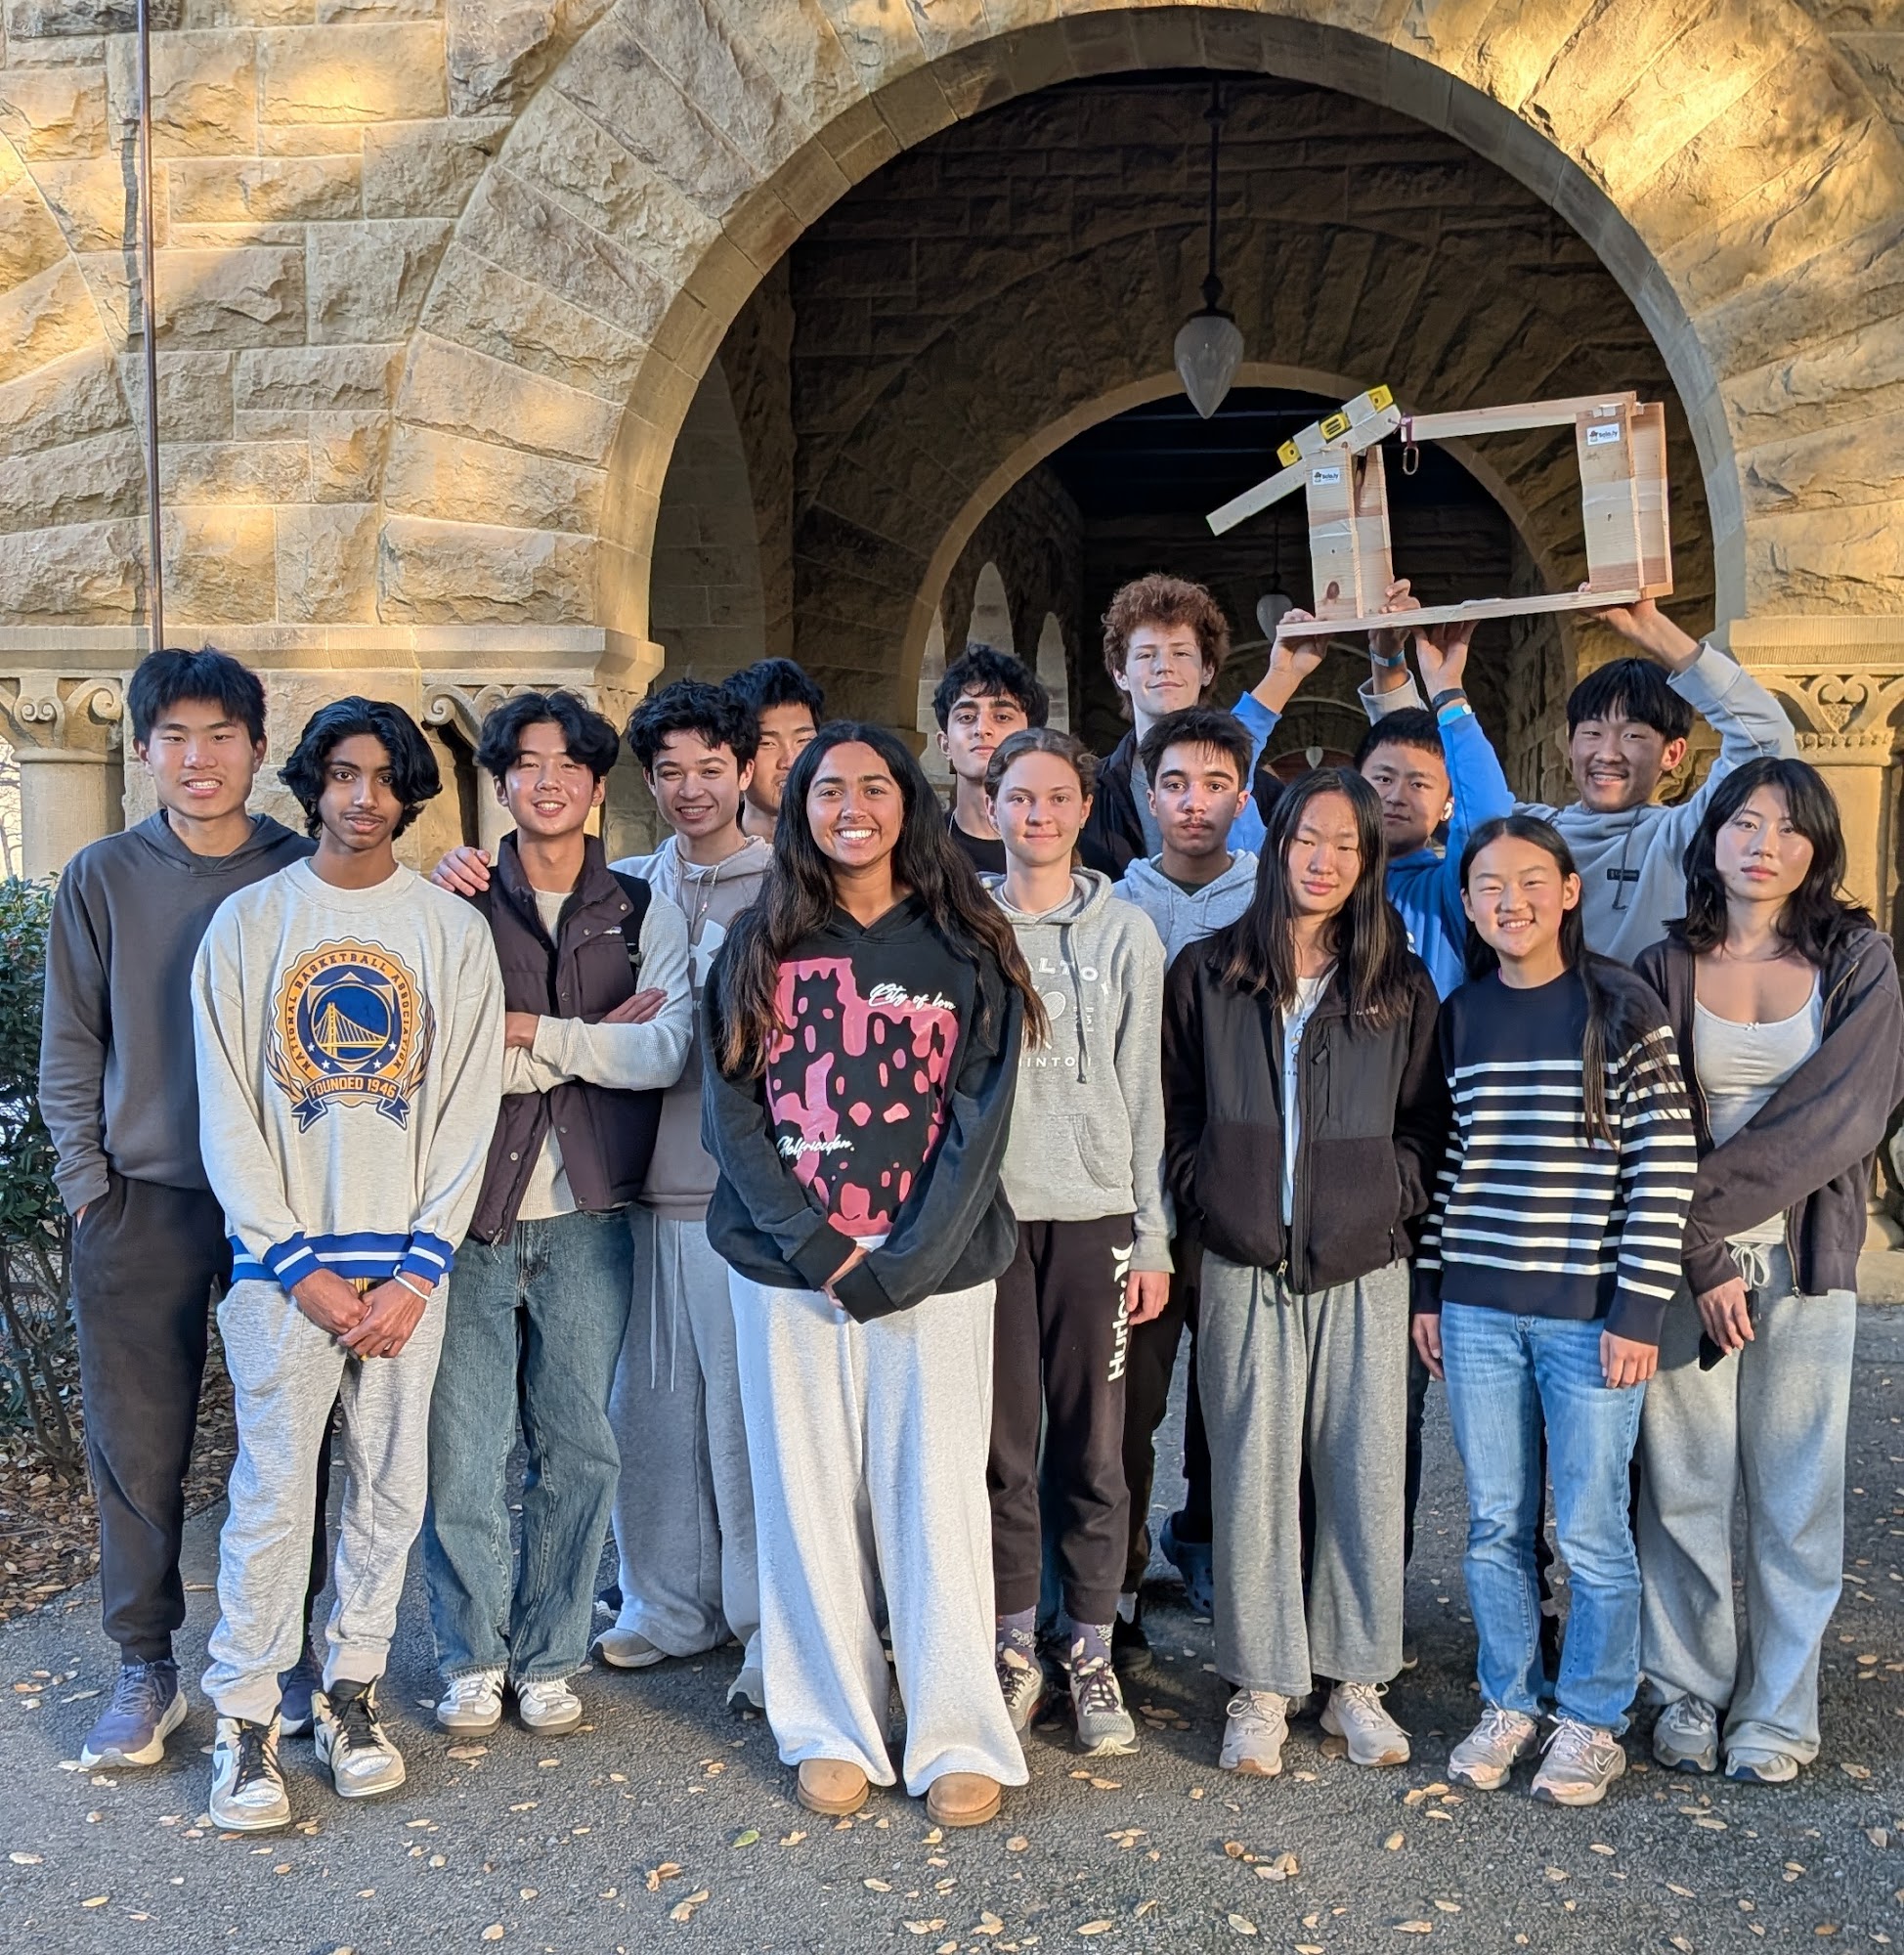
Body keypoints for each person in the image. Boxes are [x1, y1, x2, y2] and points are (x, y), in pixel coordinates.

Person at [701, 723, 1042, 1828]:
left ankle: (956, 1728)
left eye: (875, 786)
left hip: (935, 1272)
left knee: (936, 1495)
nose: (853, 806)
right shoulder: (757, 943)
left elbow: (981, 1119)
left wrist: (904, 1262)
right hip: (786, 1270)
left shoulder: (966, 943)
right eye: (828, 788)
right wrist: (819, 1251)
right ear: (797, 807)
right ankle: (830, 1723)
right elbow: (731, 1116)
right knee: (804, 1496)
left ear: (910, 803)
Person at [192, 699, 504, 1831]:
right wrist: (293, 1262)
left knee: (387, 1488)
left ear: (410, 791)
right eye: (341, 773)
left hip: (405, 1272)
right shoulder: (249, 924)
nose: (362, 796)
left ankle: (349, 1691)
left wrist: (418, 1269)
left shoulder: (448, 932)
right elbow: (227, 1106)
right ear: (312, 784)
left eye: (383, 776)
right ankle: (244, 1718)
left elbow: (466, 1105)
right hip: (284, 1272)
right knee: (274, 1494)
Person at [39, 647, 323, 1771]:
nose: (198, 758)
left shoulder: (301, 868)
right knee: (138, 1443)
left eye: (221, 736)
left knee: (288, 1440)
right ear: (144, 748)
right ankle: (144, 1663)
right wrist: (86, 1189)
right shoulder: (103, 875)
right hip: (142, 1200)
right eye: (175, 737)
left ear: (258, 748)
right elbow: (72, 1041)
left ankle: (285, 1651)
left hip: (282, 1208)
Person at [1162, 769, 1449, 1780]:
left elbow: (1427, 1121)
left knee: (1362, 1470)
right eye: (1306, 839)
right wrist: (1209, 1194)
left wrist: (1387, 1193)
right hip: (1243, 1259)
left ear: (1368, 863)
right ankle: (1261, 1683)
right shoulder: (1208, 971)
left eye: (1346, 845)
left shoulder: (1397, 984)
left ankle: (1357, 1679)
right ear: (1276, 844)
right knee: (1249, 1473)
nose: (1323, 861)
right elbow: (1177, 1108)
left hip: (1362, 1261)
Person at [420, 692, 692, 1741]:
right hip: (469, 1216)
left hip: (590, 1216)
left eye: (569, 764)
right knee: (465, 1449)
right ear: (500, 785)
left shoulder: (639, 905)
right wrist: (589, 1039)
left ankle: (548, 1655)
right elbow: (441, 1060)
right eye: (526, 764)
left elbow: (661, 1052)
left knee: (580, 1449)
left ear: (595, 783)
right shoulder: (455, 902)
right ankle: (470, 1655)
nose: (548, 781)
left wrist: (533, 1031)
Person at [1414, 815, 1696, 1807]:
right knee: (1494, 1521)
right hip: (1478, 1309)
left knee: (1589, 1528)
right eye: (1489, 885)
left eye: (1532, 881)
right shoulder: (1464, 1013)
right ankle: (1509, 1701)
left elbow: (1664, 1160)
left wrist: (1638, 1307)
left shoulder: (1620, 1005)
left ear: (1568, 891)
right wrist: (1431, 1289)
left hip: (1589, 1317)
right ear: (1467, 902)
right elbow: (1451, 1162)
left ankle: (1590, 1717)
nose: (1512, 901)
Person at [1634, 760, 1904, 1785]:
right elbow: (1647, 1123)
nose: (1762, 844)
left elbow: (1846, 1114)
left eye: (1789, 828)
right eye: (1743, 822)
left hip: (1804, 1260)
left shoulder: (1857, 958)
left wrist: (1693, 1217)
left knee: (1797, 1492)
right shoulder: (1664, 965)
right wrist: (1700, 1253)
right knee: (1682, 1484)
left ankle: (1779, 1713)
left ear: (1818, 847)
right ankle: (1686, 1692)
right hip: (1682, 1270)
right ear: (1710, 836)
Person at [980, 727, 1170, 1754]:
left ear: (1085, 809)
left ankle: (1089, 1647)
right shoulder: (966, 921)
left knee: (1095, 1447)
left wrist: (1153, 1234)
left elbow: (1145, 1089)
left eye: (1057, 797)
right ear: (992, 806)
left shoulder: (1126, 932)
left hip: (1097, 1215)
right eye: (1020, 797)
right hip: (993, 1222)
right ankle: (1014, 1644)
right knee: (1004, 1446)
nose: (1039, 815)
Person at [603, 681, 775, 1702]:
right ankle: (664, 1603)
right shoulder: (624, 890)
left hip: (746, 1195)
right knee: (652, 1410)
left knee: (749, 1420)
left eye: (711, 767)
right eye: (669, 771)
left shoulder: (788, 887)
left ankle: (765, 1624)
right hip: (640, 1180)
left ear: (746, 769)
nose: (691, 788)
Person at [1365, 599, 1796, 960]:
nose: (1607, 752)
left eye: (1632, 735)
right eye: (1591, 733)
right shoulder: (1526, 831)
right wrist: (1393, 665)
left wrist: (1650, 626)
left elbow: (1764, 739)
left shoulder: (1683, 836)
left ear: (1673, 753)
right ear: (1568, 744)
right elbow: (1424, 773)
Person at [1108, 705, 1259, 1659]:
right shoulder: (1116, 905)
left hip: (1237, 1180)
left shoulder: (1272, 899)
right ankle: (1113, 1582)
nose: (1193, 802)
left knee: (1237, 1399)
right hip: (1136, 1184)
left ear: (1242, 797)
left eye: (1213, 785)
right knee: (1128, 1401)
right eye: (1174, 784)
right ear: (1148, 795)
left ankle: (1219, 1556)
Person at [1081, 575, 1277, 877]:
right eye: (1146, 654)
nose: (1164, 666)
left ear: (1207, 669)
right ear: (1120, 674)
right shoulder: (1088, 790)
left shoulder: (1261, 793)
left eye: (1181, 653)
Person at [934, 643, 1050, 876]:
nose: (982, 729)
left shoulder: (1063, 848)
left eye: (1002, 717)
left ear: (1032, 738)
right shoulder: (917, 850)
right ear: (945, 744)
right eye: (967, 717)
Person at [723, 659, 823, 842]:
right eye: (768, 743)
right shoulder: (701, 854)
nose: (790, 761)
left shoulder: (845, 851)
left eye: (804, 740)